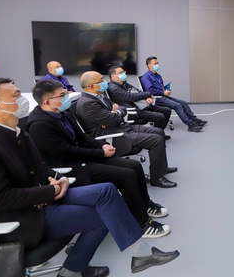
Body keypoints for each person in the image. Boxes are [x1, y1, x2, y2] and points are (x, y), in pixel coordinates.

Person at [0, 78, 180, 277]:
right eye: (16, 95)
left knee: (107, 190)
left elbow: (41, 166)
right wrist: (50, 190)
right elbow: (0, 199)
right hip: (24, 217)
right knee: (104, 215)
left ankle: (141, 254)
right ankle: (74, 270)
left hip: (43, 197)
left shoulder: (17, 132)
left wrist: (57, 178)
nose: (22, 99)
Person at [27, 79, 171, 239]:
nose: (67, 97)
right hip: (71, 167)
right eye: (62, 95)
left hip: (84, 158)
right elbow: (67, 153)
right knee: (126, 176)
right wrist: (100, 154)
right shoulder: (39, 125)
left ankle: (145, 205)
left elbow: (84, 138)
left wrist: (102, 145)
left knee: (134, 166)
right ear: (47, 101)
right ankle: (141, 224)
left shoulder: (63, 114)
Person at [76, 71, 178, 188]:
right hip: (113, 134)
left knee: (159, 132)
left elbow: (120, 108)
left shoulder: (100, 95)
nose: (104, 82)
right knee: (156, 140)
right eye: (101, 80)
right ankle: (156, 178)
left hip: (122, 127)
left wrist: (115, 112)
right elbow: (112, 119)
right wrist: (114, 114)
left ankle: (161, 168)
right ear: (91, 86)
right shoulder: (87, 103)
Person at [140, 56, 206, 132]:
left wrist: (166, 90)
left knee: (183, 103)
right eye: (155, 63)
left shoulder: (158, 76)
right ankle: (190, 125)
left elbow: (160, 87)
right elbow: (149, 90)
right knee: (177, 105)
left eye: (157, 63)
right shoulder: (146, 77)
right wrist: (163, 92)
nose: (157, 65)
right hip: (156, 98)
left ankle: (194, 120)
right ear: (149, 65)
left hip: (162, 96)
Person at [107, 66, 172, 131]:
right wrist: (148, 94)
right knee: (160, 117)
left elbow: (137, 91)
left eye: (123, 72)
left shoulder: (124, 83)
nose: (123, 74)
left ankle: (159, 132)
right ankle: (157, 133)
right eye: (121, 73)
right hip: (133, 110)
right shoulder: (113, 88)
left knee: (167, 110)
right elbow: (131, 97)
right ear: (113, 76)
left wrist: (146, 97)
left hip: (139, 105)